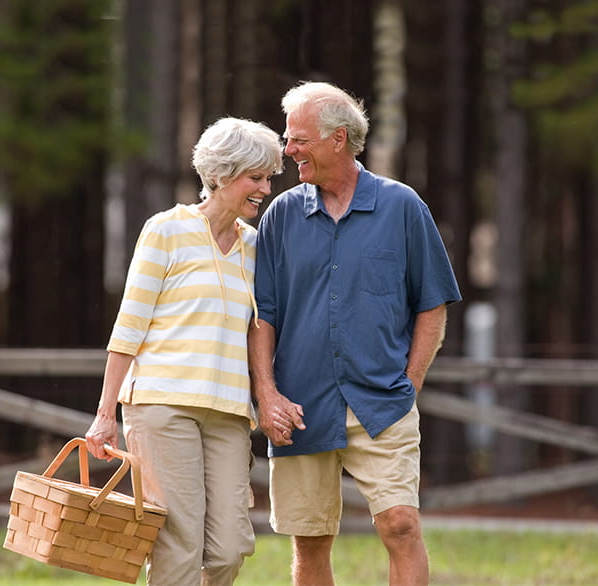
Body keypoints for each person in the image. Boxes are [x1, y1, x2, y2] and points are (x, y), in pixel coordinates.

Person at [249, 81, 463, 586]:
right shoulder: (280, 216)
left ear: (338, 139)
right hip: (300, 408)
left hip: (381, 402)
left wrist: (410, 383)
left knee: (401, 524)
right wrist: (267, 392)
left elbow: (432, 305)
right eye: (287, 138)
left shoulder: (403, 207)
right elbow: (265, 315)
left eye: (299, 139)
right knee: (311, 541)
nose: (288, 150)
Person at [85, 117, 283, 586]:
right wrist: (104, 412)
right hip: (162, 406)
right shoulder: (166, 231)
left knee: (229, 548)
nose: (266, 188)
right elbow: (128, 326)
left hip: (229, 412)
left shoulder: (257, 247)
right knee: (178, 543)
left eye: (269, 177)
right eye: (256, 177)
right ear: (220, 174)